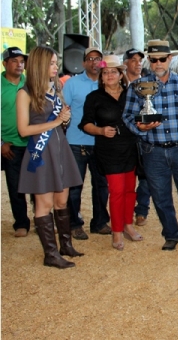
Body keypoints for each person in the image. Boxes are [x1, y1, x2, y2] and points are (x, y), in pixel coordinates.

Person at [122, 39, 178, 251]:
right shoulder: (137, 87)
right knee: (160, 196)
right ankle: (171, 234)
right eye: (153, 60)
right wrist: (139, 128)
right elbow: (127, 116)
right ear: (149, 62)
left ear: (170, 59)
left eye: (162, 59)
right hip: (152, 151)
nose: (158, 63)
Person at [16, 46, 84, 268]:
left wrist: (64, 119)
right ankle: (50, 254)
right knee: (43, 204)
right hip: (40, 152)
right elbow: (24, 130)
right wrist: (56, 122)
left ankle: (65, 245)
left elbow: (60, 124)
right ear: (39, 65)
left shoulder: (56, 89)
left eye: (56, 63)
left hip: (59, 148)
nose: (56, 67)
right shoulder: (24, 93)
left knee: (61, 200)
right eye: (52, 63)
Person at [80, 55, 143, 251]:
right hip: (108, 150)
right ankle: (116, 231)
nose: (109, 75)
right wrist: (100, 130)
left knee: (130, 190)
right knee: (116, 191)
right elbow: (85, 124)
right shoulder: (94, 97)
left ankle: (128, 225)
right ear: (101, 76)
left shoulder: (131, 94)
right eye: (105, 72)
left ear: (120, 74)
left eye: (113, 71)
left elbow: (139, 117)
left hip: (130, 147)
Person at [63, 47, 111, 240]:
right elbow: (63, 112)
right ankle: (74, 224)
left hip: (101, 143)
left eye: (98, 59)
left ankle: (99, 222)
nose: (94, 62)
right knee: (75, 187)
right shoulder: (72, 84)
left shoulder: (108, 83)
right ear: (83, 63)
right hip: (76, 143)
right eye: (90, 59)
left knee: (102, 186)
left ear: (103, 63)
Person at [2, 47, 31, 237]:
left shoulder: (30, 83)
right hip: (9, 145)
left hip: (33, 143)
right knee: (15, 186)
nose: (19, 64)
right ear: (5, 63)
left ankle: (42, 218)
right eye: (14, 61)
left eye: (22, 61)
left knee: (38, 184)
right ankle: (21, 223)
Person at [123, 48, 151, 227]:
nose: (138, 62)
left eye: (140, 60)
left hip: (145, 136)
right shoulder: (117, 83)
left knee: (146, 175)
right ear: (125, 63)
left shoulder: (148, 84)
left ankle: (141, 210)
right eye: (133, 59)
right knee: (125, 176)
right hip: (124, 137)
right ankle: (125, 210)